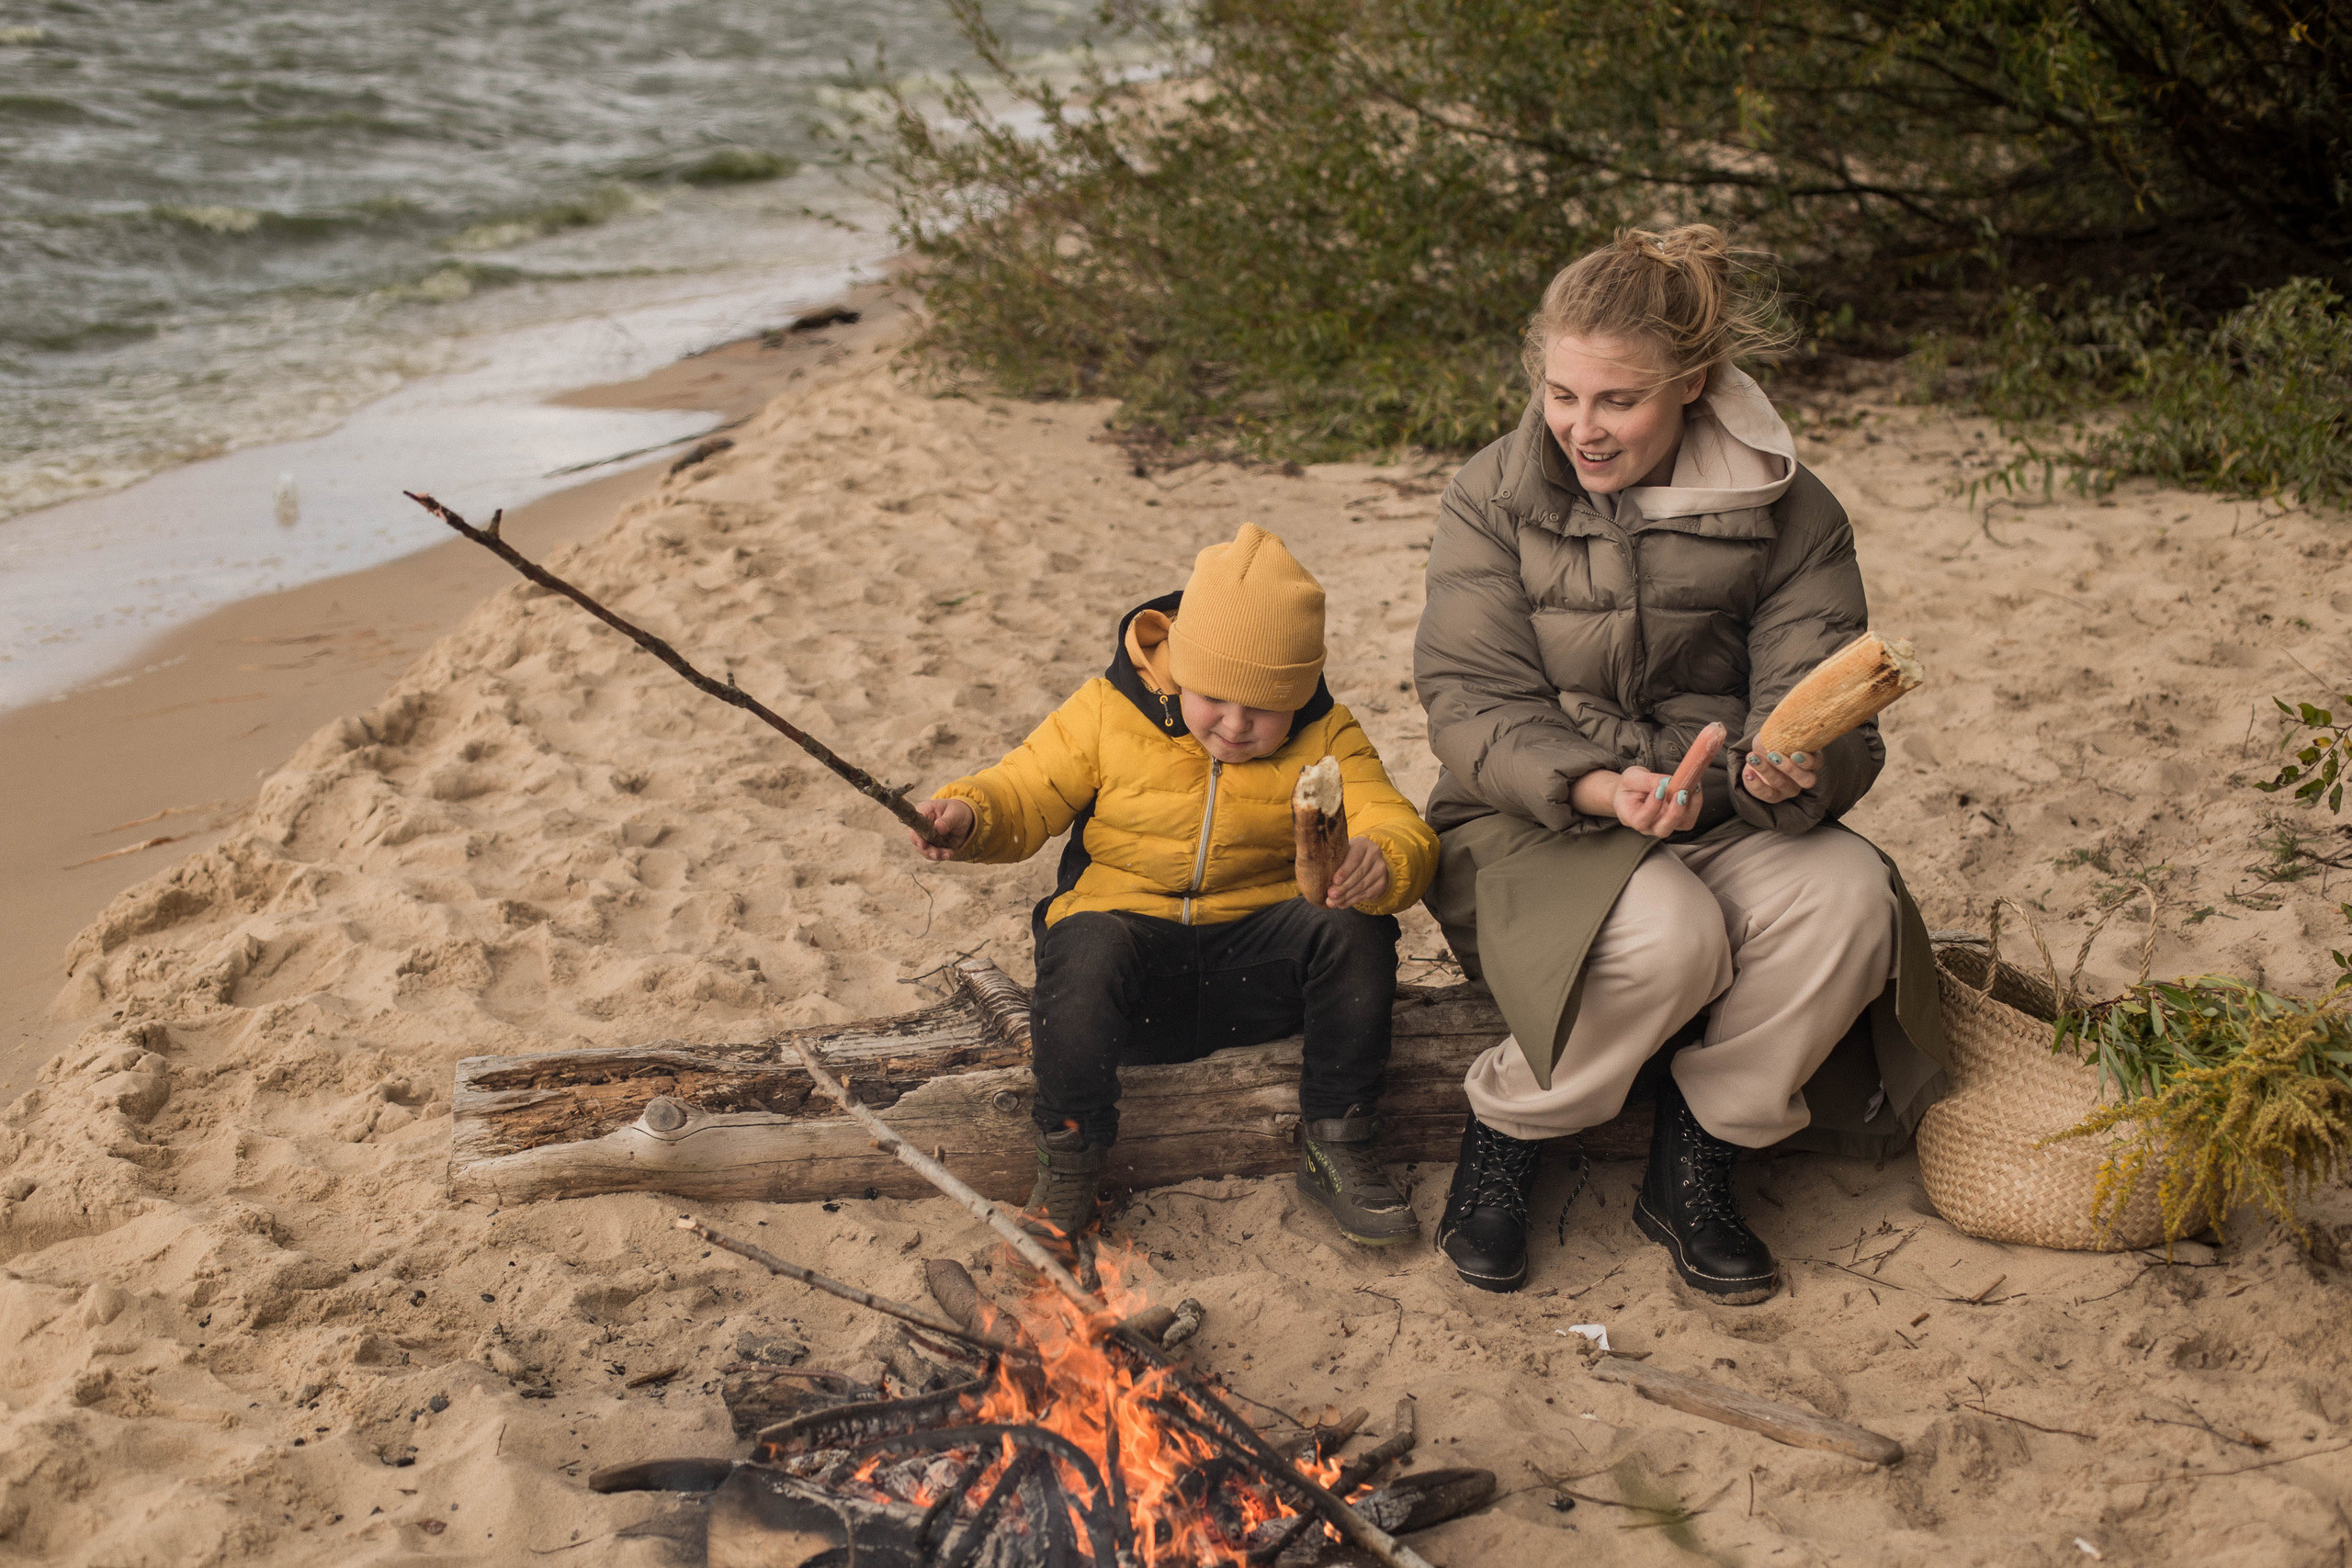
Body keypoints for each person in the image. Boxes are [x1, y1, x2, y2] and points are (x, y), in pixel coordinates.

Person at [1411, 225, 1947, 1302]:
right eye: (1563, 394)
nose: (1582, 427)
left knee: (1852, 897)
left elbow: (1825, 706)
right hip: (1532, 819)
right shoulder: (1492, 493)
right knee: (1671, 934)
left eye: (1617, 401)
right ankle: (1509, 1129)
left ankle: (1699, 1151)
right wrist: (1596, 787)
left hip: (1717, 815)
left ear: (1692, 384)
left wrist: (1790, 772)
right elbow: (1470, 701)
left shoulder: (1792, 509)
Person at [909, 524, 1441, 1249]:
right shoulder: (1108, 711)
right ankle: (1069, 1161)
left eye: (1265, 706)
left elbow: (1397, 821)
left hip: (1257, 973)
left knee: (1355, 927)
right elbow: (1024, 789)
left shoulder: (1327, 735)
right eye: (1214, 696)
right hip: (1135, 979)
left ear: (1300, 691)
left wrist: (1383, 856)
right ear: (1182, 667)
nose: (1236, 724)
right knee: (1084, 942)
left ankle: (1337, 1142)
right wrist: (970, 815)